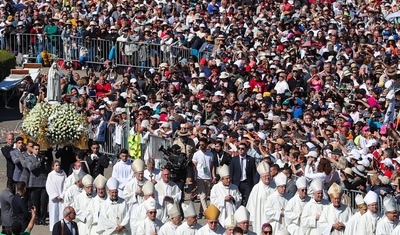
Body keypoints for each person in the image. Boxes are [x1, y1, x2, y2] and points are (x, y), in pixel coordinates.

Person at [246, 162, 275, 235]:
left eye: (268, 175)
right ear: (261, 177)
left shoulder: (274, 186)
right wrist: (252, 218)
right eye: (265, 176)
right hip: (260, 216)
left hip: (272, 217)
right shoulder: (256, 188)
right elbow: (251, 205)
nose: (267, 178)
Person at [24, 143, 48, 225]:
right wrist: (39, 162)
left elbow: (46, 169)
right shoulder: (29, 158)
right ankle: (36, 218)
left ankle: (43, 218)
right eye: (36, 149)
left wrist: (45, 162)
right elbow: (31, 167)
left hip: (43, 182)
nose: (37, 151)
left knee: (44, 202)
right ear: (32, 150)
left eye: (38, 149)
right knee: (36, 202)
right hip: (35, 183)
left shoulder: (42, 158)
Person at [229, 142, 257, 206]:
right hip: (237, 183)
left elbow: (253, 173)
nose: (240, 150)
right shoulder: (234, 159)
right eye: (239, 148)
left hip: (247, 183)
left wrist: (254, 184)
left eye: (242, 149)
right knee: (238, 199)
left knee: (248, 199)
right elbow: (231, 172)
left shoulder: (251, 159)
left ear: (246, 150)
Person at [193, 138, 214, 218]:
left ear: (206, 145)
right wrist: (194, 177)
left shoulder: (210, 154)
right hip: (200, 177)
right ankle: (206, 212)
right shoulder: (196, 154)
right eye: (200, 145)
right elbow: (194, 166)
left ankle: (200, 212)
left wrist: (213, 175)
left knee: (205, 196)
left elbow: (212, 166)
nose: (201, 146)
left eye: (203, 145)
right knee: (202, 195)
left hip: (208, 177)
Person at [45, 160, 66, 231]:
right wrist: (56, 195)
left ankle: (62, 228)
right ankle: (54, 229)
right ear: (53, 167)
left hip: (62, 197)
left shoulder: (63, 174)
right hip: (54, 199)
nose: (58, 167)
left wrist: (62, 195)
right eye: (56, 165)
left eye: (58, 165)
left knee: (62, 213)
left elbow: (66, 185)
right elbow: (49, 186)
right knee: (54, 213)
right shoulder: (51, 175)